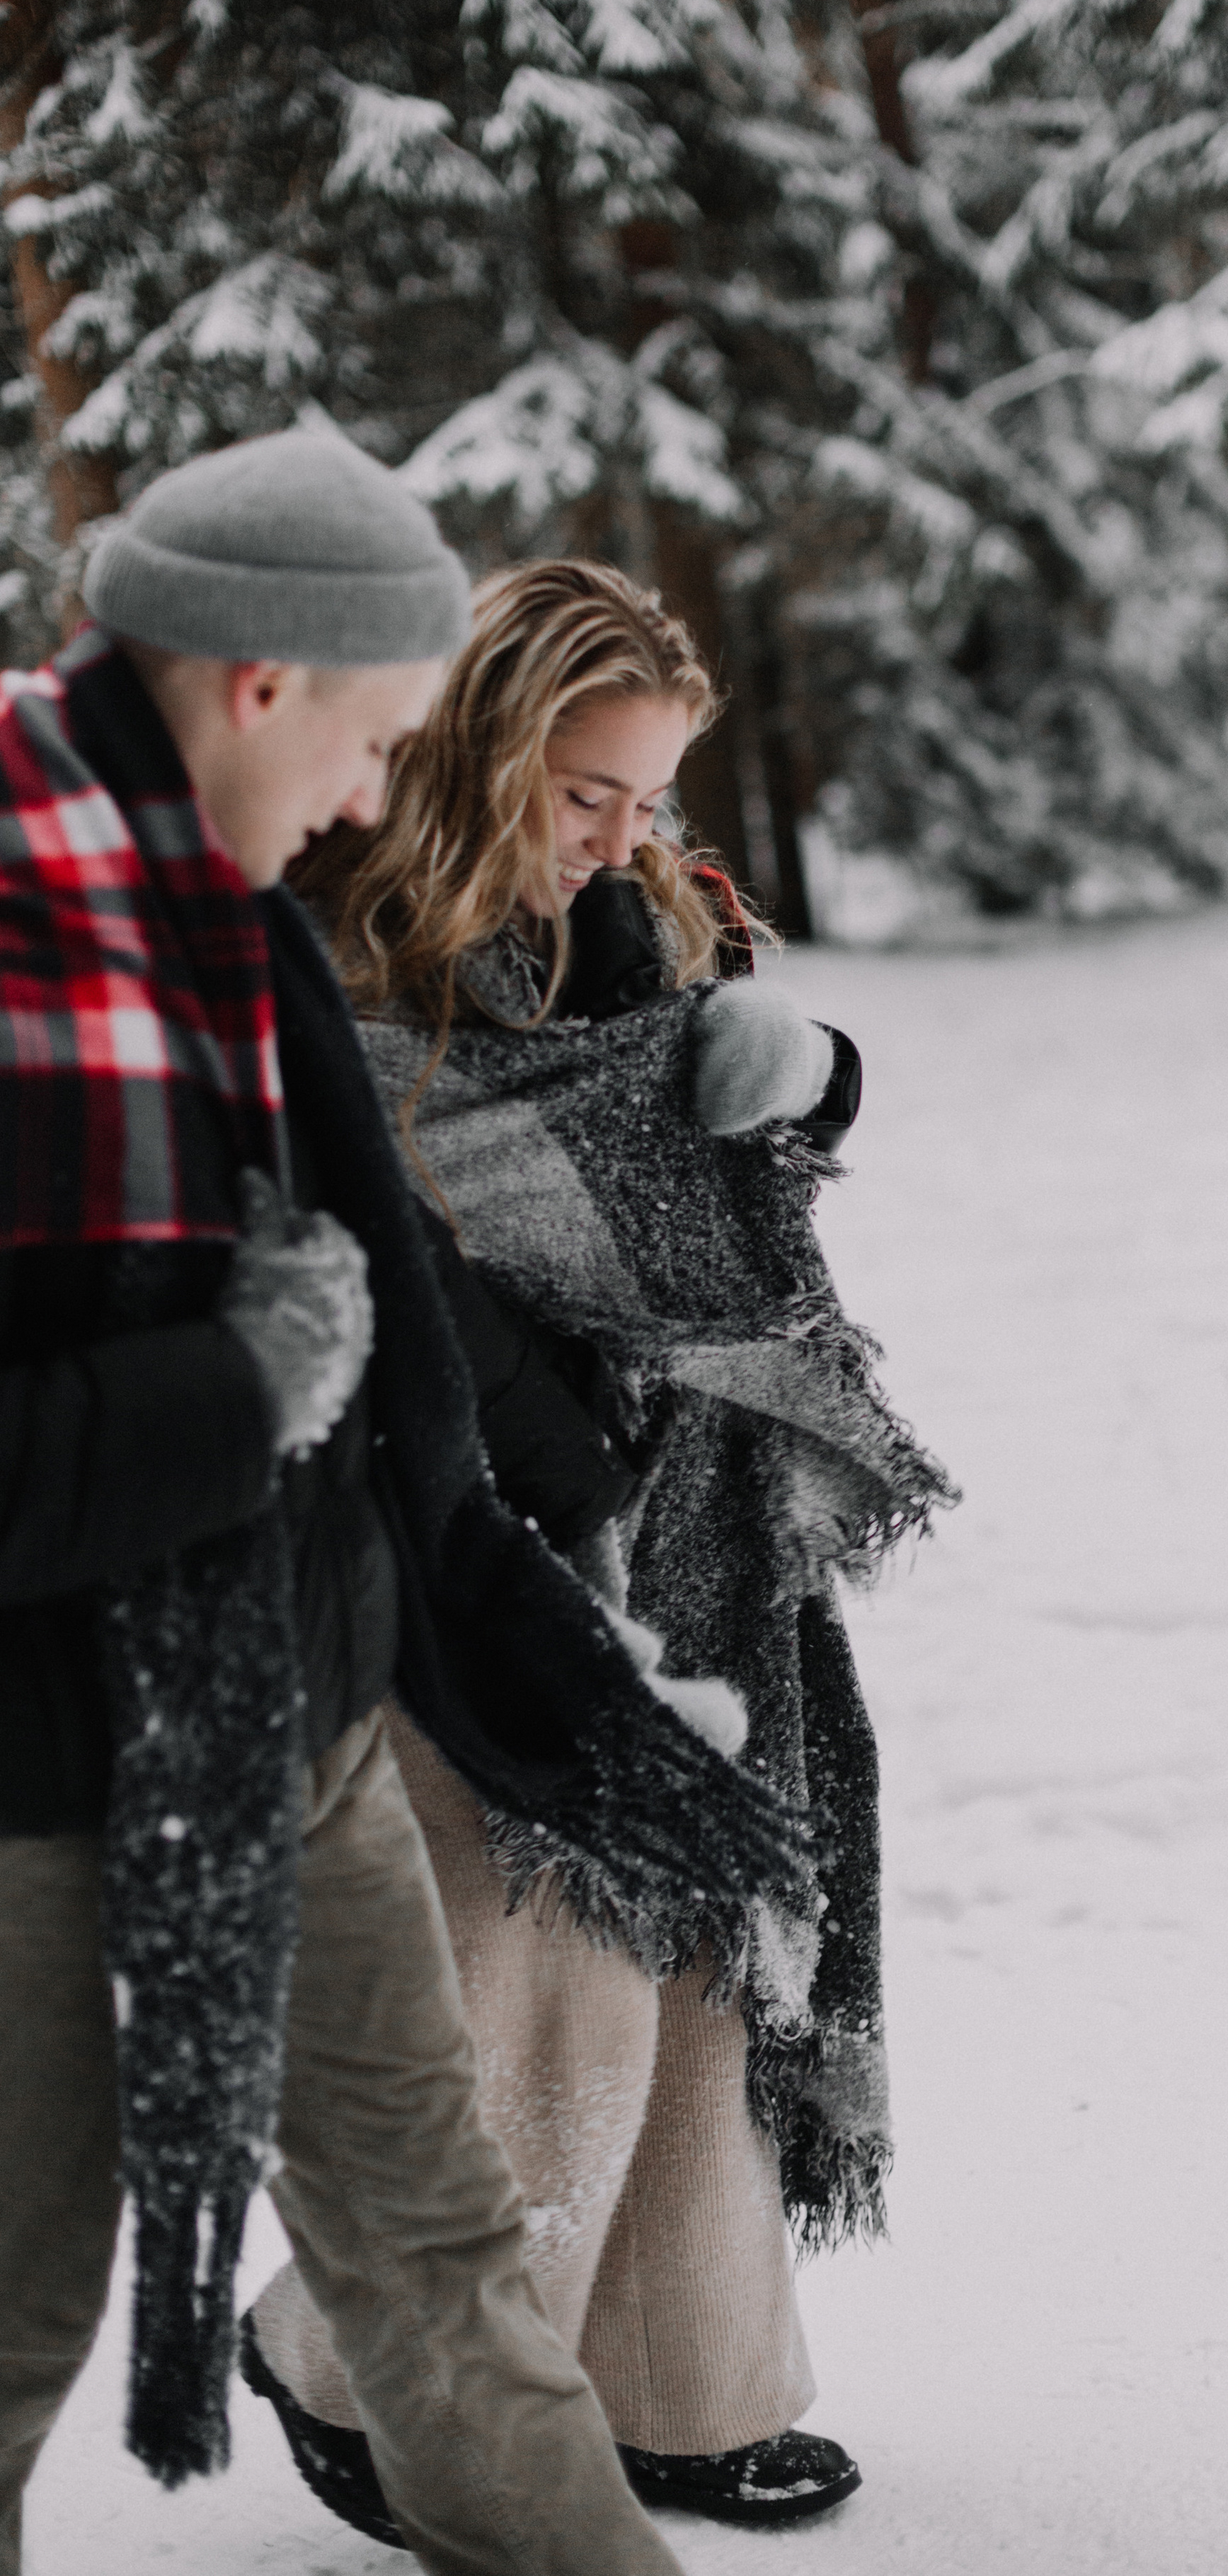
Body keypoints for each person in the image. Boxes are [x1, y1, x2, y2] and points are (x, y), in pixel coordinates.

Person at [0, 439, 810, 2576]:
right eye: (372, 733)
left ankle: (642, 2452)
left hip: (317, 1672)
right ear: (271, 690)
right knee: (18, 2310)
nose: (374, 788)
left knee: (451, 2247)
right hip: (39, 1752)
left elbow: (412, 1377)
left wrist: (565, 1645)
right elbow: (373, 1310)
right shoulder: (123, 919)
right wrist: (241, 1384)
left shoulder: (221, 918)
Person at [242, 558, 953, 2537]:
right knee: (551, 1940)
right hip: (444, 1504)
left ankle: (678, 2375)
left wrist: (808, 1071)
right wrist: (575, 1494)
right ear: (477, 749)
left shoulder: (635, 919)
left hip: (675, 1498)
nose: (627, 838)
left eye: (650, 797)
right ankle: (374, 2368)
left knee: (711, 1916)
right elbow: (404, 1271)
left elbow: (708, 1164)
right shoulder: (342, 947)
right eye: (588, 796)